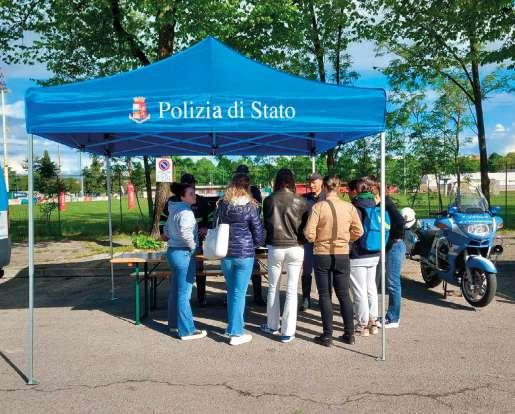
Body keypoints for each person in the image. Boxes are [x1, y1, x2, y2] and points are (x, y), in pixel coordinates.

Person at [304, 175, 363, 347]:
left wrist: (317, 240)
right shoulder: (349, 207)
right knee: (344, 294)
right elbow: (359, 231)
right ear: (339, 188)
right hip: (342, 253)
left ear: (324, 187)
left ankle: (327, 335)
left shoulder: (318, 207)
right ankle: (349, 334)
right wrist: (346, 240)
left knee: (324, 295)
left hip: (322, 253)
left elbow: (309, 233)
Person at [261, 169, 308, 343]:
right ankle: (288, 332)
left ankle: (272, 325)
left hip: (275, 246)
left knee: (273, 286)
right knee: (291, 289)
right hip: (296, 246)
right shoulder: (301, 201)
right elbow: (305, 228)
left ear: (277, 181)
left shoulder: (269, 200)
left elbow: (266, 224)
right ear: (292, 181)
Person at [218, 173, 265, 345]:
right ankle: (236, 333)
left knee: (232, 291)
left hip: (226, 253)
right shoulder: (250, 206)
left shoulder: (223, 205)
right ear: (247, 187)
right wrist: (255, 243)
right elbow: (258, 234)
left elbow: (215, 224)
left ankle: (232, 326)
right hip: (245, 254)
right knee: (239, 293)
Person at [162, 173, 215, 306]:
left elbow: (210, 217)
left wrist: (206, 228)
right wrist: (164, 233)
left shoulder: (201, 201)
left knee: (199, 270)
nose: (192, 186)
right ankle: (182, 304)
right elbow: (164, 219)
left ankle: (201, 298)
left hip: (197, 241)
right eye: (188, 185)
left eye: (193, 184)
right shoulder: (172, 202)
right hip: (186, 246)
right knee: (182, 282)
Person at [163, 182, 206, 340]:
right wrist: (193, 247)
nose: (194, 196)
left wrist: (173, 238)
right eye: (191, 194)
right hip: (183, 253)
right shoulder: (186, 212)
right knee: (184, 293)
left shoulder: (174, 209)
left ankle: (174, 324)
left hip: (173, 252)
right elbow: (185, 233)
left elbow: (166, 231)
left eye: (194, 193)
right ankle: (187, 330)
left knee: (176, 290)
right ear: (182, 196)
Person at [365, 177, 406, 329]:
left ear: (377, 189)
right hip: (391, 245)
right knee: (390, 281)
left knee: (393, 283)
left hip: (395, 245)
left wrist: (391, 239)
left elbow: (399, 221)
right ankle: (390, 315)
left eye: (371, 188)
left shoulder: (386, 203)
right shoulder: (382, 203)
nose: (369, 190)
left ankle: (393, 318)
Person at [348, 178, 380, 337]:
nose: (347, 193)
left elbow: (353, 230)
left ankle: (362, 324)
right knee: (371, 287)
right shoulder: (375, 204)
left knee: (359, 290)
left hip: (358, 253)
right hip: (375, 251)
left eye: (349, 190)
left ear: (355, 191)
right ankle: (373, 321)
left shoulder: (355, 208)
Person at [234, 164, 266, 306]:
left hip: (250, 233)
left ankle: (257, 296)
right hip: (242, 235)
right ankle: (240, 296)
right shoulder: (231, 191)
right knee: (241, 267)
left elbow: (257, 211)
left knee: (254, 266)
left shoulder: (254, 190)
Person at [300, 172, 325, 311]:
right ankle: (306, 298)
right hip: (308, 241)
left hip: (323, 241)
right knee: (307, 270)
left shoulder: (327, 198)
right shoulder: (304, 199)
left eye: (314, 182)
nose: (311, 185)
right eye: (310, 182)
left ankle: (324, 298)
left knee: (322, 271)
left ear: (321, 182)